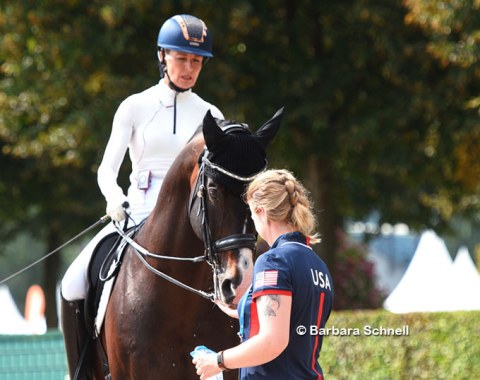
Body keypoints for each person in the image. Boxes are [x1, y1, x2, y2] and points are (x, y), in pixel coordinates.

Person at [60, 14, 223, 378]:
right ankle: (82, 370)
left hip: (192, 223)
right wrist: (113, 197)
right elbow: (107, 168)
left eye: (196, 61)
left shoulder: (211, 115)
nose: (189, 68)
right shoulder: (135, 106)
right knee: (72, 282)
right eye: (182, 58)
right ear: (163, 56)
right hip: (136, 211)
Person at [193, 169, 334, 379]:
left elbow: (273, 340)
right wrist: (239, 308)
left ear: (261, 212)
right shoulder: (319, 265)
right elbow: (292, 316)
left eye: (251, 215)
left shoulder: (273, 260)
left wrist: (218, 361)